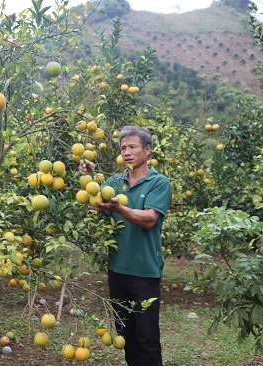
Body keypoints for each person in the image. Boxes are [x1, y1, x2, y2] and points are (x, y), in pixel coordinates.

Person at [79, 125, 172, 366]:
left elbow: (149, 220)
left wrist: (118, 208)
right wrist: (89, 178)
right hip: (117, 270)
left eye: (132, 147)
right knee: (127, 335)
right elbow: (94, 202)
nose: (127, 152)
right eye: (123, 148)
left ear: (147, 150)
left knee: (147, 338)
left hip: (144, 272)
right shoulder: (114, 182)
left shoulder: (158, 183)